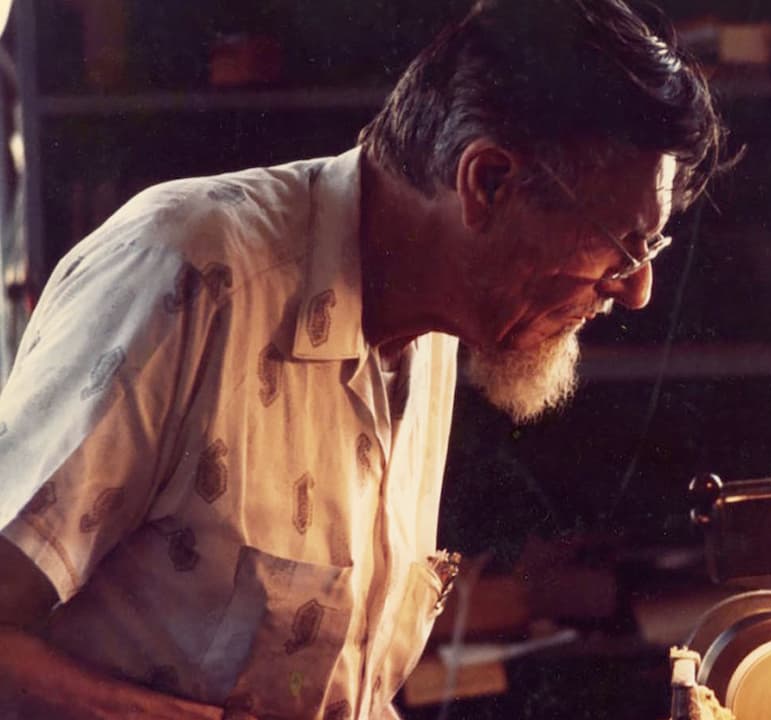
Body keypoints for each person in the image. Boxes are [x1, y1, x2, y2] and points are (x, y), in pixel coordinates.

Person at [0, 0, 730, 717]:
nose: (637, 290)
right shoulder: (189, 274)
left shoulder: (438, 321)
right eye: (626, 243)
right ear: (488, 184)